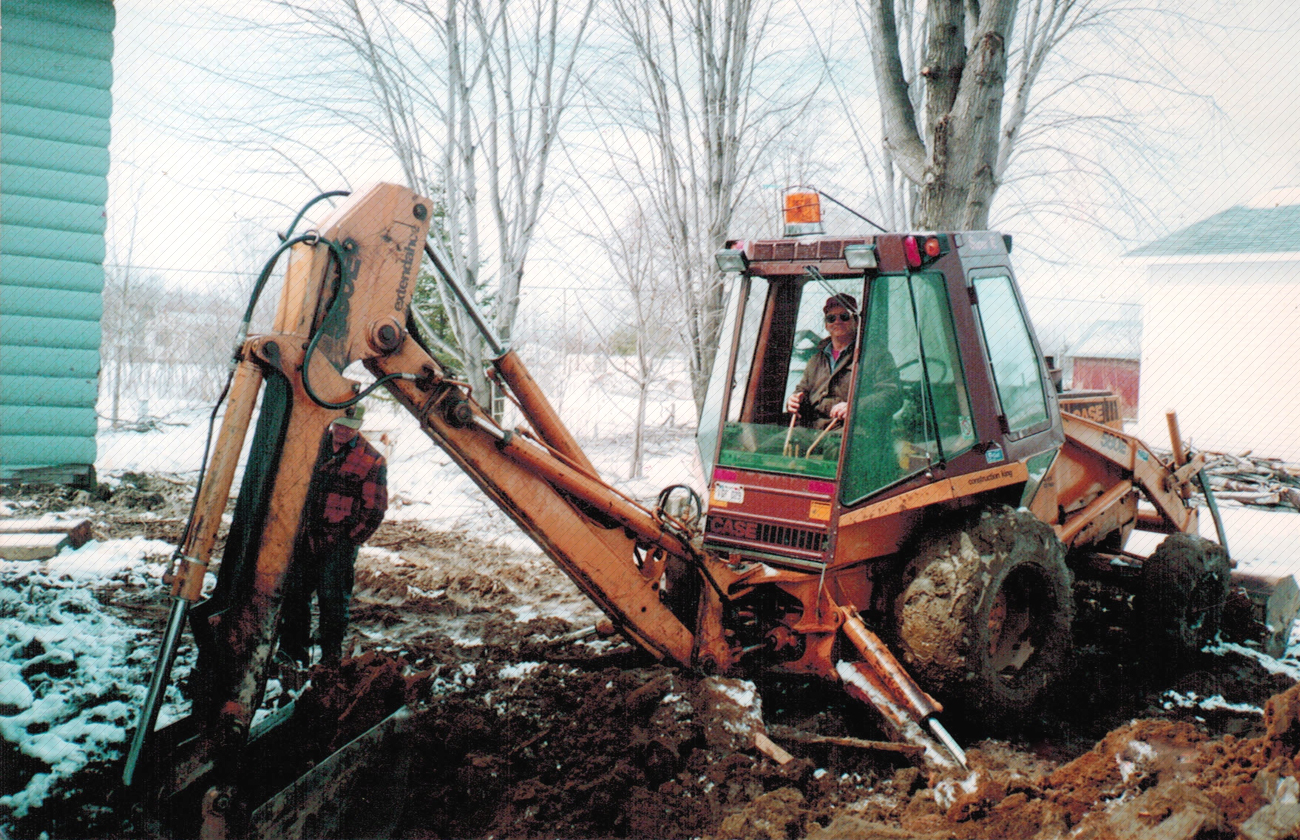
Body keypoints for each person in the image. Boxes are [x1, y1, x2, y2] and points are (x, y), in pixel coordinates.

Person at [280, 403, 388, 667]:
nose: (341, 431)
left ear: (359, 427)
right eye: (338, 424)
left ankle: (330, 658)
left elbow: (374, 510)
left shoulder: (371, 460)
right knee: (294, 596)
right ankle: (292, 654)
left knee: (333, 600)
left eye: (348, 427)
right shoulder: (312, 445)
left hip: (338, 543)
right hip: (305, 537)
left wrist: (348, 541)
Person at [786, 294, 861, 429]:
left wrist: (855, 406)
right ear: (826, 325)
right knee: (769, 448)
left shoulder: (872, 355)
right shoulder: (816, 359)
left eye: (844, 316)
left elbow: (891, 395)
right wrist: (793, 400)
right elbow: (802, 390)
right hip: (811, 428)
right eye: (831, 318)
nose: (837, 321)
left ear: (855, 321)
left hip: (849, 431)